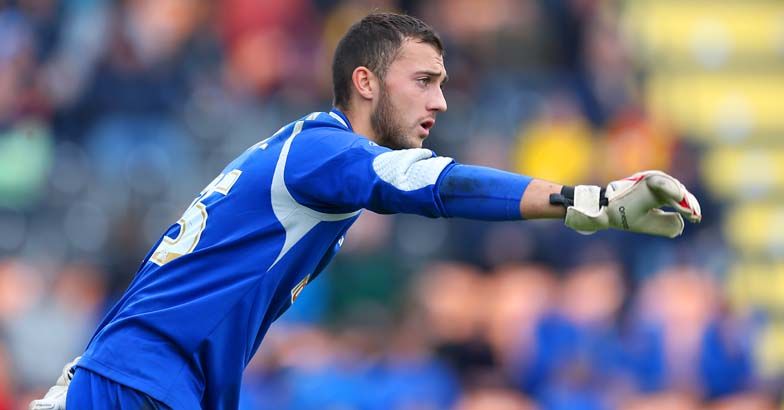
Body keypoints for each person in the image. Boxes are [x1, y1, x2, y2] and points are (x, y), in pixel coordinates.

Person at [30, 12, 701, 410]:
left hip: (139, 378)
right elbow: (445, 187)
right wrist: (591, 202)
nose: (439, 102)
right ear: (366, 82)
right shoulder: (329, 153)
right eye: (423, 81)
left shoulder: (306, 153)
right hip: (145, 384)